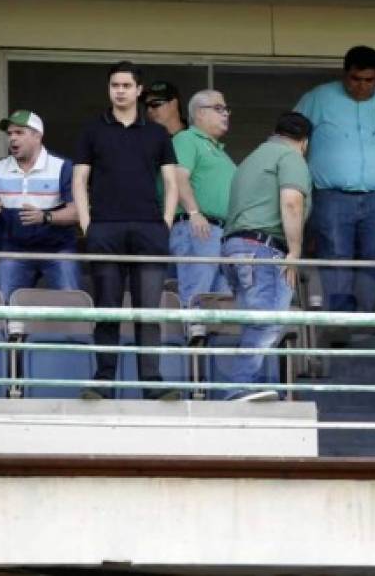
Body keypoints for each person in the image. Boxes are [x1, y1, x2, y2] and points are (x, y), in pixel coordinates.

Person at [73, 61, 180, 401]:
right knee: (108, 310)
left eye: (125, 85)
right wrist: (88, 224)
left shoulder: (157, 133)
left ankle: (152, 383)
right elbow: (79, 180)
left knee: (148, 311)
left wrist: (165, 220)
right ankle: (103, 382)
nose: (119, 90)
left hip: (149, 229)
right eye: (114, 85)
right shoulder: (93, 130)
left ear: (138, 90)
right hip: (105, 228)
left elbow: (171, 182)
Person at [294, 45, 375, 314]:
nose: (361, 86)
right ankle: (340, 324)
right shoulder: (319, 98)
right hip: (330, 196)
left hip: (374, 198)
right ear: (345, 74)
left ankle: (369, 318)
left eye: (368, 80)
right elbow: (292, 141)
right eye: (355, 79)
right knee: (336, 258)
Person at [219, 112, 313, 401]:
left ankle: (247, 385)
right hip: (263, 248)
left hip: (235, 248)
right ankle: (240, 386)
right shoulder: (290, 157)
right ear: (304, 143)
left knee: (254, 322)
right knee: (267, 321)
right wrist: (295, 251)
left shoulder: (252, 158)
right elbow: (292, 202)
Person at [0, 110, 80, 301]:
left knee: (71, 303)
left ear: (37, 136)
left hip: (58, 250)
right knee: (0, 301)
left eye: (19, 133)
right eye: (10, 134)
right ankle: (8, 331)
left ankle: (75, 332)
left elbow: (78, 212)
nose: (12, 138)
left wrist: (46, 217)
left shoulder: (62, 167)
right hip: (15, 250)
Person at [169, 89, 237, 307]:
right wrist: (194, 213)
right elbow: (178, 178)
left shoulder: (220, 151)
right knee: (197, 292)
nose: (225, 114)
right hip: (199, 228)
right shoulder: (187, 138)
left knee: (221, 300)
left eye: (226, 109)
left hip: (222, 233)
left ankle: (212, 341)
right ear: (199, 113)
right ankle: (191, 338)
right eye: (218, 109)